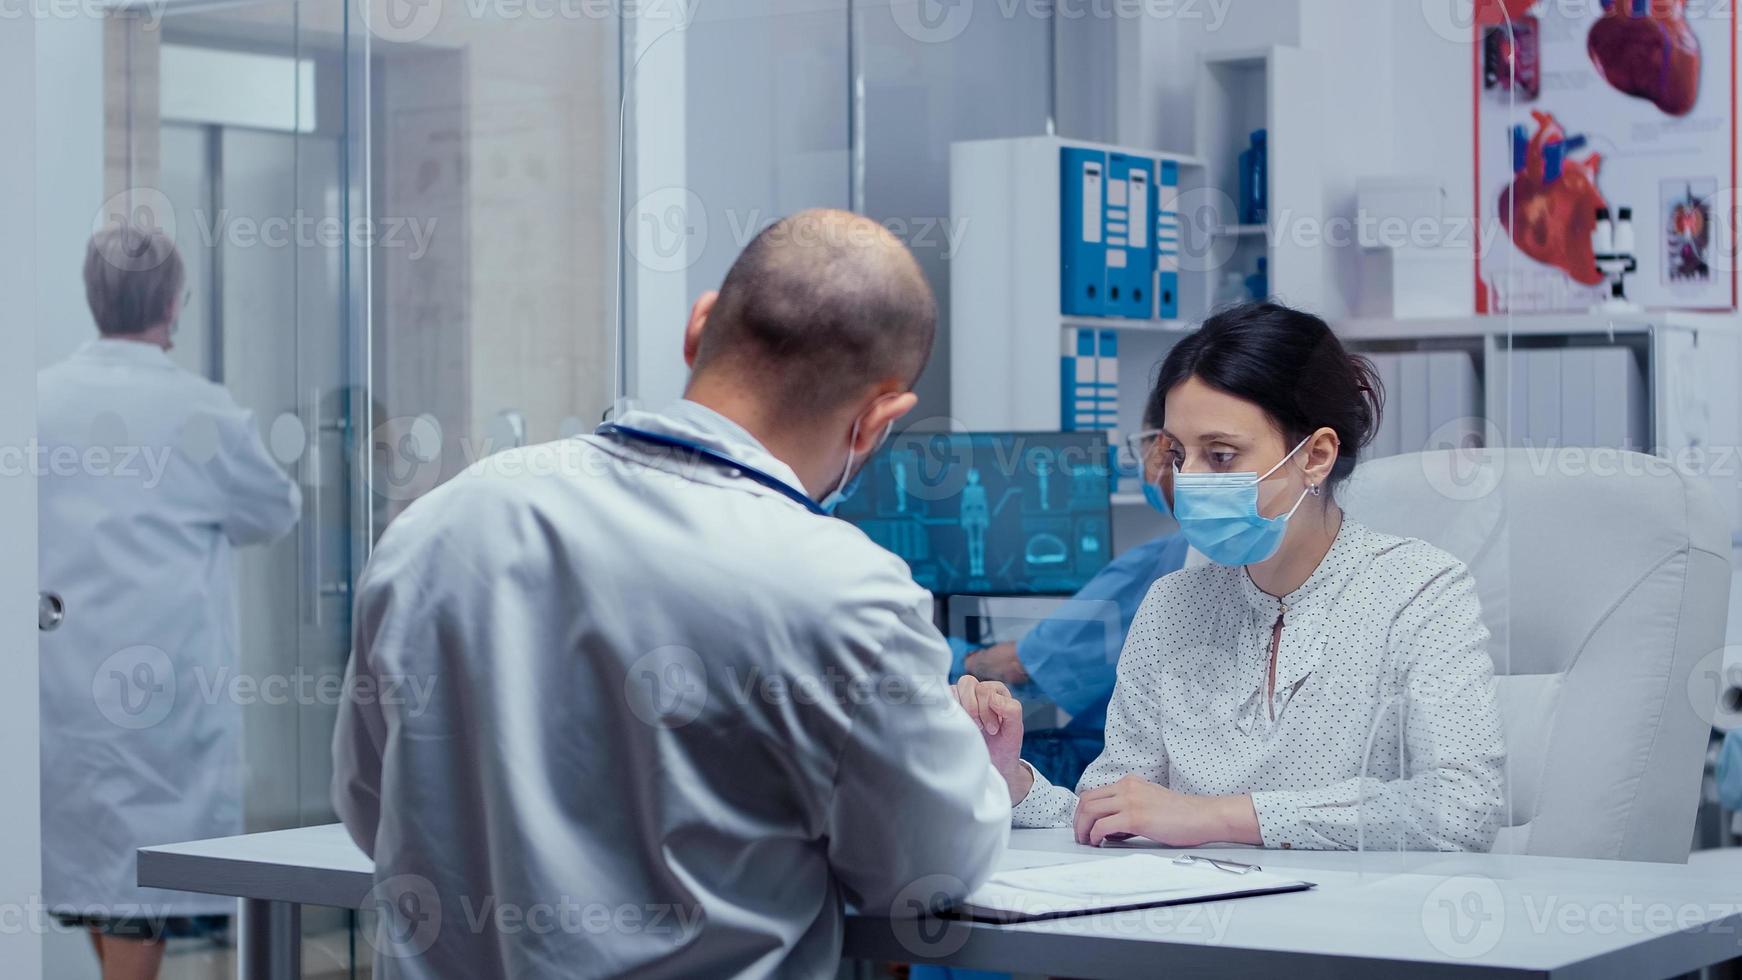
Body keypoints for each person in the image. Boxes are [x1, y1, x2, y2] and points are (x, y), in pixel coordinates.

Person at [331, 209, 1012, 978]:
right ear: (879, 418)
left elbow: (369, 807)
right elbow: (928, 875)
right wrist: (976, 771)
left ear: (699, 327)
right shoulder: (845, 592)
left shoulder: (439, 524)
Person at [955, 302, 1506, 851]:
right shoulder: (1172, 603)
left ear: (1315, 456)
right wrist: (1012, 781)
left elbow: (1463, 808)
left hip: (1355, 927)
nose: (1188, 480)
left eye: (1219, 456)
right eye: (1177, 454)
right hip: (1194, 919)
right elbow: (1113, 811)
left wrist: (1216, 818)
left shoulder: (1420, 591)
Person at [38, 224, 303, 980]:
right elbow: (274, 511)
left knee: (103, 887)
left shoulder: (36, 401)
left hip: (61, 694)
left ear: (92, 297)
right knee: (134, 892)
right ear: (175, 303)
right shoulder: (202, 411)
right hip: (159, 702)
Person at [957, 528, 1189, 791]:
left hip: (1098, 760)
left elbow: (1019, 666)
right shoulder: (1186, 563)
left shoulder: (1170, 559)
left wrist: (960, 662)